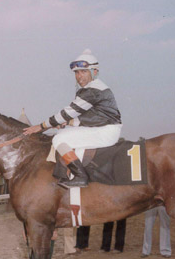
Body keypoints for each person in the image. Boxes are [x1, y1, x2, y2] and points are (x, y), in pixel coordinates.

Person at [37, 51, 122, 188]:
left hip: (105, 132)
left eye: (83, 71)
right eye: (76, 73)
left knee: (58, 139)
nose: (79, 76)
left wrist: (41, 126)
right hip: (102, 127)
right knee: (61, 133)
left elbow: (68, 113)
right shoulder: (95, 87)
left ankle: (80, 176)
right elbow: (90, 117)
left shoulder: (93, 90)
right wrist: (68, 123)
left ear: (94, 72)